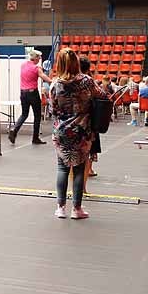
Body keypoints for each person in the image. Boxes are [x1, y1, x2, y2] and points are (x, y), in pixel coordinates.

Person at [49, 48, 107, 220]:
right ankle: (77, 209)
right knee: (80, 169)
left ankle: (60, 208)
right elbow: (103, 95)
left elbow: (53, 109)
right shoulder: (87, 81)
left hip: (61, 131)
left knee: (62, 168)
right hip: (82, 131)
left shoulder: (55, 83)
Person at [8, 50, 52, 145]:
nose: (40, 59)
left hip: (23, 93)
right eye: (39, 57)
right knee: (37, 116)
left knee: (24, 114)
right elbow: (43, 76)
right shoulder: (36, 68)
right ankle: (35, 138)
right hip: (33, 93)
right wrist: (52, 81)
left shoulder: (23, 65)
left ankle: (14, 130)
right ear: (35, 58)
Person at [78, 56, 101, 180]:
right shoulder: (89, 81)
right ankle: (88, 173)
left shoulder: (64, 81)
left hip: (69, 124)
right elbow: (102, 95)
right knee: (89, 150)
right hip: (88, 121)